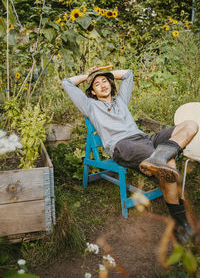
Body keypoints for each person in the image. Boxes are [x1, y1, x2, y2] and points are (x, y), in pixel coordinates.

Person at [62, 67, 199, 243]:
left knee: (190, 125)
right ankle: (182, 225)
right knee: (169, 164)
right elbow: (66, 83)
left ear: (111, 83)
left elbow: (128, 74)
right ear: (93, 92)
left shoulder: (121, 101)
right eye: (97, 84)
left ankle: (160, 157)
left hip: (146, 139)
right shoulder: (90, 106)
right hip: (123, 145)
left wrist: (105, 71)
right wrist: (89, 75)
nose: (102, 85)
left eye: (105, 81)